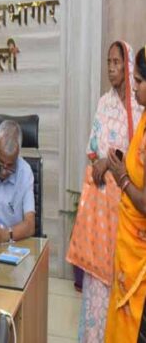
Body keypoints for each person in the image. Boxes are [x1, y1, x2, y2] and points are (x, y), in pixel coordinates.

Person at [66, 41, 143, 342]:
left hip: (128, 208)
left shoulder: (140, 108)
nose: (111, 68)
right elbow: (93, 150)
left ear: (129, 66)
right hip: (101, 209)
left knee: (120, 279)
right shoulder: (103, 103)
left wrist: (111, 163)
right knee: (97, 284)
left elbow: (134, 161)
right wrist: (100, 162)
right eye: (108, 62)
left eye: (117, 62)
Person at [105, 45, 146, 342]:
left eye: (139, 82)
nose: (134, 88)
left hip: (140, 258)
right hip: (130, 245)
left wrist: (121, 177)